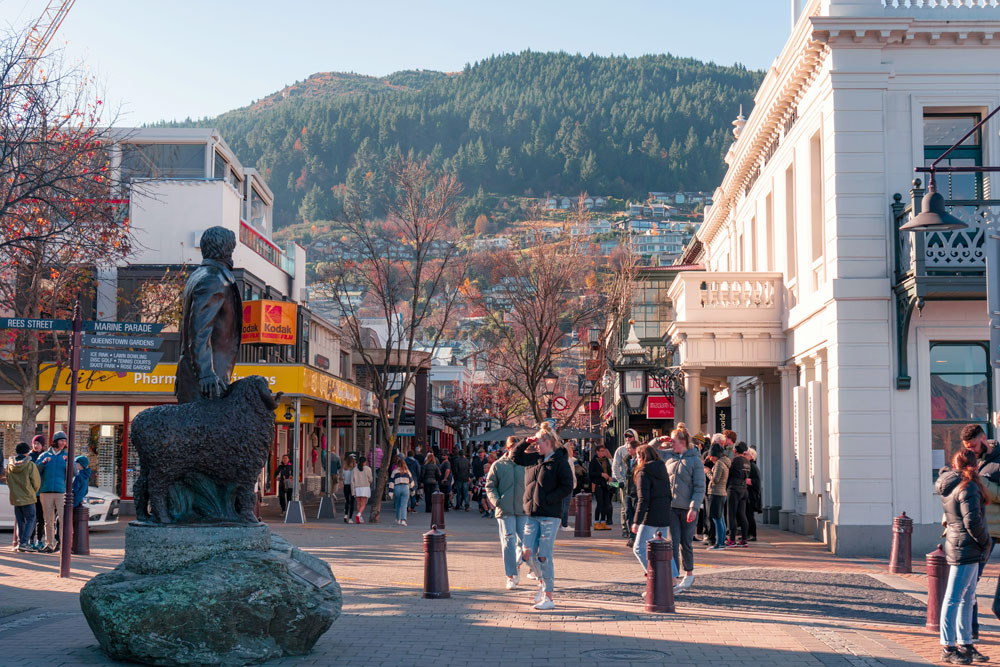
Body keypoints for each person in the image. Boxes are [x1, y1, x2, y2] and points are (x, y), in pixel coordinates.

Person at [937, 448, 991, 665]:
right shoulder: (967, 487)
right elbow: (972, 522)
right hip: (966, 546)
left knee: (967, 597)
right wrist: (985, 542)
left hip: (960, 544)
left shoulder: (951, 485)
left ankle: (965, 643)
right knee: (954, 597)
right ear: (974, 465)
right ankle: (949, 647)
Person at [513, 423, 574, 611]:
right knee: (526, 553)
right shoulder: (534, 459)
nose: (536, 446)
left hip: (549, 515)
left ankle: (548, 595)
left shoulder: (559, 461)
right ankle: (541, 582)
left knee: (544, 556)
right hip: (532, 514)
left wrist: (549, 499)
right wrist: (526, 441)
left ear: (548, 442)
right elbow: (516, 457)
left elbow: (567, 486)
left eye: (538, 442)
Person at [960, 423, 1000, 639]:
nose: (972, 450)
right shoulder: (971, 460)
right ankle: (972, 633)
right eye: (968, 447)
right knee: (970, 582)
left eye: (974, 445)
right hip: (979, 529)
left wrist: (983, 485)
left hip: (993, 528)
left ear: (984, 438)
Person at [662, 429, 706, 592]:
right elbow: (651, 452)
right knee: (672, 543)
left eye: (674, 441)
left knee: (685, 542)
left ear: (683, 442)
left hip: (688, 508)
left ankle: (689, 573)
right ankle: (674, 577)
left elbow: (700, 487)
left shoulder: (695, 460)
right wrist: (659, 440)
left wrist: (694, 507)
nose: (671, 443)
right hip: (671, 508)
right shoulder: (669, 455)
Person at [631, 444, 679, 586]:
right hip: (664, 514)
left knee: (639, 548)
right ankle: (673, 579)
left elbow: (643, 499)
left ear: (643, 458)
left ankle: (658, 578)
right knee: (664, 549)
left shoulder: (643, 472)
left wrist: (636, 521)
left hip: (650, 515)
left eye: (638, 457)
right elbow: (668, 493)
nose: (637, 460)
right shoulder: (662, 468)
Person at [485, 436, 528, 590]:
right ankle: (510, 576)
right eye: (516, 448)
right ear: (509, 448)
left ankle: (516, 565)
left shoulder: (525, 464)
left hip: (523, 509)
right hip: (505, 510)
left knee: (525, 543)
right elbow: (490, 485)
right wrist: (497, 501)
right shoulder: (498, 465)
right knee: (508, 542)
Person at [35, 431, 68, 553]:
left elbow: (74, 472)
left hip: (61, 492)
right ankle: (49, 544)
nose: (63, 443)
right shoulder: (44, 455)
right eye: (61, 440)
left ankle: (63, 544)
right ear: (55, 441)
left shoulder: (67, 456)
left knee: (63, 520)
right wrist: (43, 463)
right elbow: (36, 470)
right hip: (45, 491)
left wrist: (67, 463)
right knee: (48, 520)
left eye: (65, 441)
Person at [7, 443, 41, 553]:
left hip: (16, 496)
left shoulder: (10, 465)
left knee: (20, 520)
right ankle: (24, 543)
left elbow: (8, 481)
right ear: (27, 452)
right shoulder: (30, 465)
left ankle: (21, 542)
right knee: (31, 519)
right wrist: (32, 492)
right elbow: (36, 482)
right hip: (28, 496)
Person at [613, 430, 639, 546]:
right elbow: (615, 466)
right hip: (626, 484)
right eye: (626, 436)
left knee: (636, 509)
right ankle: (626, 529)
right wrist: (620, 480)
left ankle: (636, 533)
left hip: (637, 486)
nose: (628, 438)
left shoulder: (641, 450)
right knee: (626, 508)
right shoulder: (621, 450)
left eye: (630, 436)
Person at [705, 442, 730, 550]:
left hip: (716, 493)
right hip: (721, 493)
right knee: (720, 519)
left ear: (715, 455)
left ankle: (719, 543)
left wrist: (708, 472)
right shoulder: (724, 462)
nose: (710, 458)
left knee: (717, 519)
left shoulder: (719, 464)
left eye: (711, 455)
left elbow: (715, 479)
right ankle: (721, 542)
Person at [727, 442, 751, 547]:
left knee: (731, 514)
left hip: (734, 489)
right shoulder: (747, 461)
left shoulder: (735, 461)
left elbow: (729, 473)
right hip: (744, 489)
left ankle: (732, 539)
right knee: (742, 514)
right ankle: (744, 539)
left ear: (735, 451)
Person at [589, 445, 614, 530]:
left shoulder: (606, 460)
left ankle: (603, 522)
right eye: (601, 451)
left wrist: (610, 477)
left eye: (604, 451)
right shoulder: (594, 461)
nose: (603, 452)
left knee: (606, 504)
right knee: (600, 504)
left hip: (606, 485)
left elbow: (609, 470)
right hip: (598, 485)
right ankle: (596, 522)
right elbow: (591, 474)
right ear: (597, 451)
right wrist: (601, 474)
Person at [29, 435, 46, 550]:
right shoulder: (29, 457)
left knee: (41, 518)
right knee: (31, 517)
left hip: (42, 491)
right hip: (31, 492)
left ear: (42, 445)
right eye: (35, 443)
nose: (36, 446)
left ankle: (40, 540)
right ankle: (31, 540)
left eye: (38, 444)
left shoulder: (45, 456)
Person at [388, 455, 415, 526]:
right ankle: (403, 520)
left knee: (397, 504)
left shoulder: (395, 471)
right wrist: (412, 490)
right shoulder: (407, 471)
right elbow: (411, 482)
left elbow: (391, 482)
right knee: (404, 504)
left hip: (397, 488)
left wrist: (390, 492)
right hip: (405, 488)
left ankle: (398, 519)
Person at [560, 442, 578, 532]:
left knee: (563, 505)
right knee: (566, 505)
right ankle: (564, 524)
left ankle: (562, 523)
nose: (573, 449)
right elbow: (572, 474)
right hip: (568, 485)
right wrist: (574, 483)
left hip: (562, 485)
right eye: (571, 448)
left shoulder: (562, 460)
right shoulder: (569, 461)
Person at [746, 447, 762, 542]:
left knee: (749, 515)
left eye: (746, 454)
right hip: (748, 494)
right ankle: (747, 533)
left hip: (751, 495)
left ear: (751, 457)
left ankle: (752, 534)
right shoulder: (748, 465)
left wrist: (746, 481)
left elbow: (756, 482)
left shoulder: (753, 467)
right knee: (746, 514)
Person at [352, 456, 373, 523]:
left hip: (357, 487)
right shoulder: (368, 469)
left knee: (358, 503)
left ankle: (360, 518)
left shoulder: (354, 469)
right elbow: (370, 479)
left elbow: (352, 481)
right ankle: (359, 515)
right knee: (363, 504)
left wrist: (353, 490)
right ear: (365, 462)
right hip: (365, 487)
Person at [342, 455, 357, 523]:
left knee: (347, 501)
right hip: (352, 486)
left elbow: (342, 478)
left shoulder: (344, 469)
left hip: (346, 486)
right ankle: (350, 518)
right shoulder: (354, 469)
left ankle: (345, 515)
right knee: (352, 502)